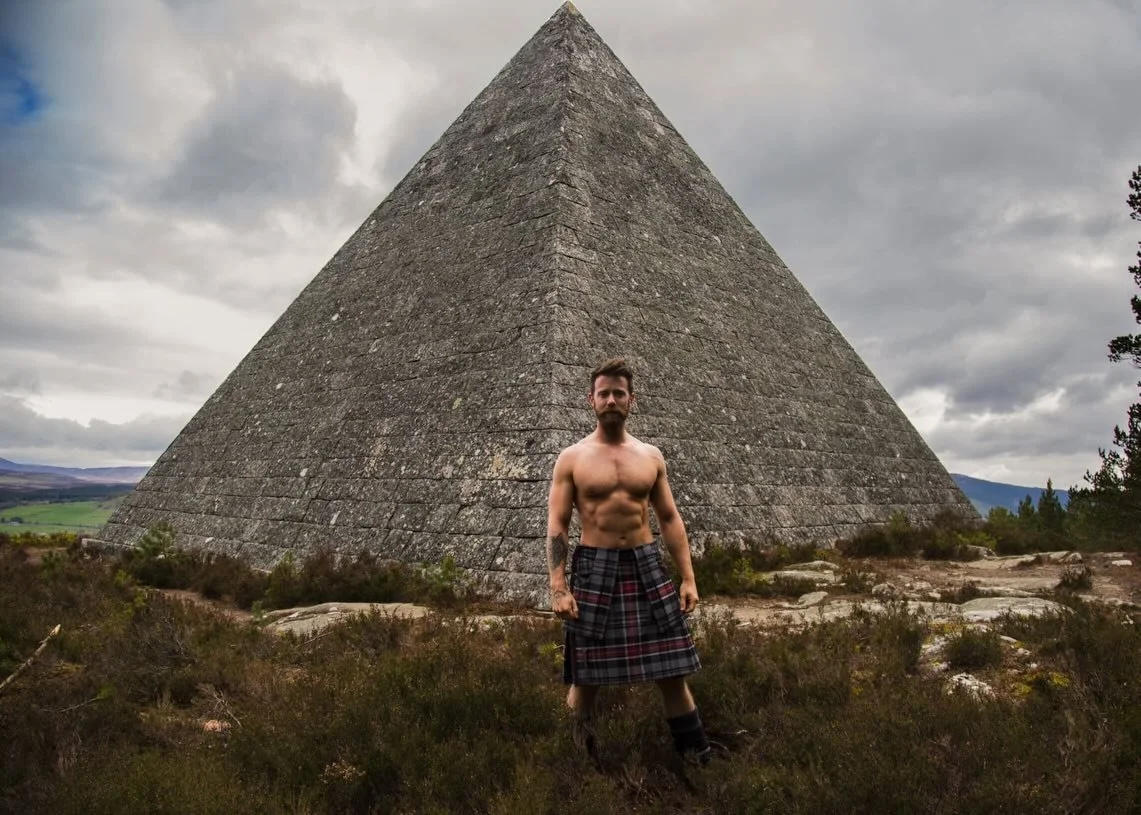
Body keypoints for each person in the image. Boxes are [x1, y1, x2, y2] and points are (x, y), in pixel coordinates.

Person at [546, 357, 712, 766]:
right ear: (591, 400)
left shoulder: (651, 457)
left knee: (672, 672)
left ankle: (699, 762)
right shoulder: (572, 458)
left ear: (631, 399)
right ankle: (576, 768)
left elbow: (670, 519)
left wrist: (688, 578)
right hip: (594, 569)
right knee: (585, 679)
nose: (611, 400)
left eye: (619, 393)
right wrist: (558, 586)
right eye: (604, 393)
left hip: (645, 566)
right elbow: (558, 524)